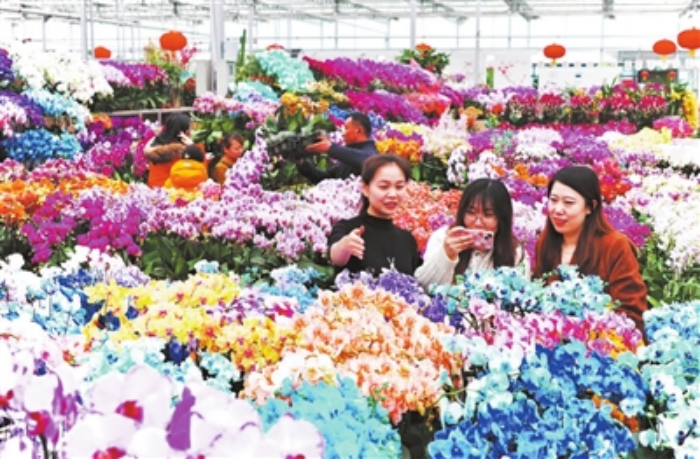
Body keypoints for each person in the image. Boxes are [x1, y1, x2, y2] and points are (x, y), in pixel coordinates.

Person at [533, 165, 647, 332]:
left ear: (590, 207)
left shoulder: (615, 246)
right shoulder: (545, 244)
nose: (557, 210)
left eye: (568, 203)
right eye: (553, 200)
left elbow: (631, 313)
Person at [415, 178, 530, 289]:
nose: (478, 223)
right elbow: (423, 286)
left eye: (488, 215)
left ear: (502, 219)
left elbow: (522, 297)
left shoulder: (515, 253)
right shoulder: (442, 238)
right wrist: (446, 255)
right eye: (471, 212)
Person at [327, 154, 421, 278]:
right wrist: (345, 246)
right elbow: (336, 257)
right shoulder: (348, 228)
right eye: (384, 187)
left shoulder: (407, 240)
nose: (393, 194)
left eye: (399, 187)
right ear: (365, 188)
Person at [296, 112, 378, 184]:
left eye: (346, 129)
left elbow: (368, 161)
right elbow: (323, 178)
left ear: (358, 130)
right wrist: (301, 162)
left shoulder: (370, 153)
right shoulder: (348, 157)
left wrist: (330, 148)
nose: (343, 134)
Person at [144, 114, 193, 187]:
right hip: (175, 191)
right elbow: (200, 171)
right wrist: (192, 146)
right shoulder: (183, 152)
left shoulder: (155, 146)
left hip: (155, 190)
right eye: (190, 129)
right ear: (183, 133)